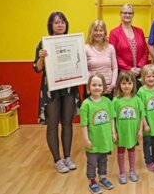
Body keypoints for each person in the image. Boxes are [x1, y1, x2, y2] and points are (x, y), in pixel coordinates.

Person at [33, 12, 80, 173]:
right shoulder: (44, 43)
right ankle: (57, 159)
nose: (60, 25)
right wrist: (41, 57)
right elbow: (37, 69)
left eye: (63, 22)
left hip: (69, 87)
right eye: (56, 22)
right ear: (50, 25)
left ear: (66, 25)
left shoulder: (72, 42)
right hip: (51, 89)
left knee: (67, 123)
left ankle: (67, 156)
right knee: (52, 125)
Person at [80, 73, 117, 194]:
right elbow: (84, 124)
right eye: (94, 85)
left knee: (103, 160)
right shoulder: (86, 104)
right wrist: (86, 139)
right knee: (92, 162)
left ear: (104, 88)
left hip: (105, 139)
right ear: (88, 87)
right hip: (93, 140)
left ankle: (103, 178)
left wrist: (113, 132)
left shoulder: (107, 101)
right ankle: (92, 181)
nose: (97, 87)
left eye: (100, 85)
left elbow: (111, 118)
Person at [113, 71, 145, 184]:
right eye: (124, 83)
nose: (127, 86)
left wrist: (141, 130)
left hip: (133, 132)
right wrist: (114, 132)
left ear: (133, 85)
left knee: (132, 150)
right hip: (121, 133)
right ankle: (122, 172)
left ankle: (132, 171)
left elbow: (142, 116)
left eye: (129, 83)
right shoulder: (116, 101)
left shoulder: (137, 99)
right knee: (120, 151)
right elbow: (112, 118)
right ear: (119, 85)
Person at [137, 64, 154, 173]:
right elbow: (141, 110)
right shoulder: (141, 92)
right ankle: (148, 161)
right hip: (147, 124)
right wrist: (145, 124)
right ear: (143, 78)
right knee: (147, 143)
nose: (151, 79)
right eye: (148, 77)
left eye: (153, 76)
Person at [109, 4, 149, 80]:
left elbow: (145, 51)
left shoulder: (139, 31)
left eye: (130, 13)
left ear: (133, 15)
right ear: (120, 14)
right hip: (123, 74)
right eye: (125, 13)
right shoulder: (114, 33)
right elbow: (113, 55)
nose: (127, 15)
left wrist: (139, 67)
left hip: (140, 73)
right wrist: (129, 69)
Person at [85, 20, 118, 100]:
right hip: (92, 88)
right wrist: (93, 85)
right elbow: (84, 70)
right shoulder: (85, 48)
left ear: (104, 33)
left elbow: (115, 68)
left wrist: (113, 84)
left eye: (101, 30)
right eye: (95, 30)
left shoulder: (110, 48)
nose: (98, 33)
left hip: (108, 88)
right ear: (91, 32)